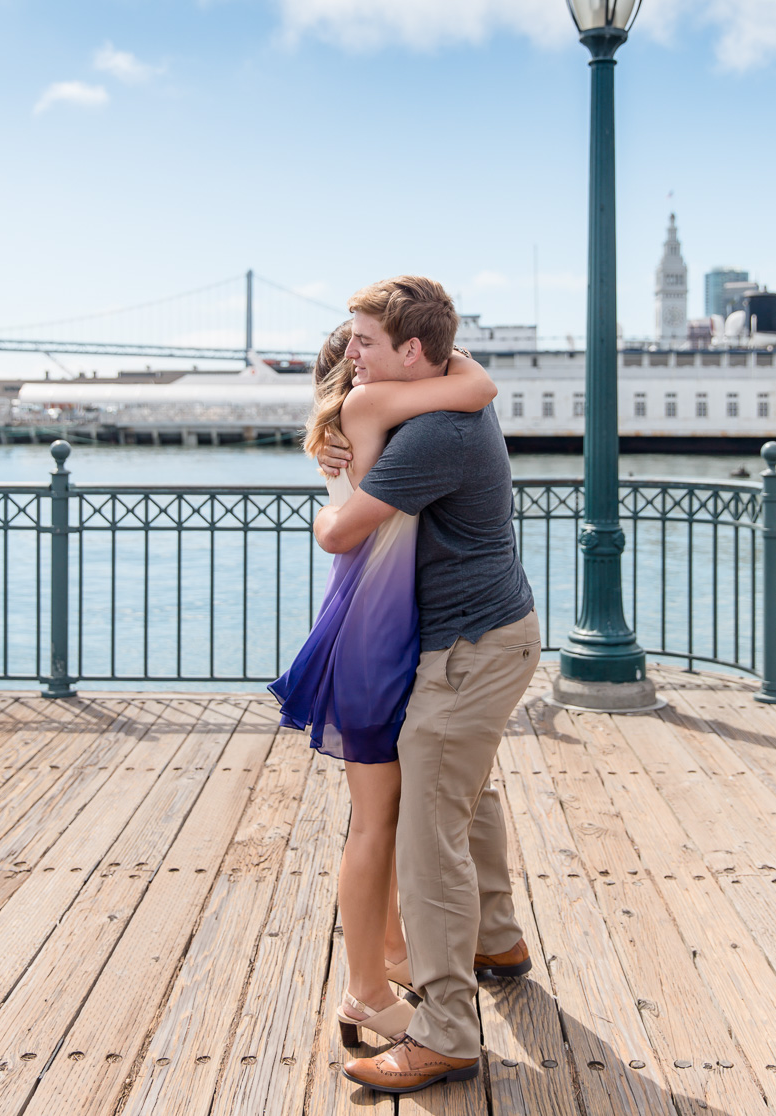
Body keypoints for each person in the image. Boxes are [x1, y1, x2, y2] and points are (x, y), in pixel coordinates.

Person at [314, 274, 541, 1096]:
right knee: (465, 793)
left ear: (415, 353)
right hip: (491, 633)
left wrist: (331, 483)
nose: (350, 353)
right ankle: (500, 942)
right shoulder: (447, 392)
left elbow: (339, 535)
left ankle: (445, 1033)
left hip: (469, 647)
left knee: (427, 833)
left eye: (366, 342)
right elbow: (469, 368)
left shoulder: (435, 433)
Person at [268, 314, 498, 1051]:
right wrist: (422, 343)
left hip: (385, 625)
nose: (366, 358)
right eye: (359, 347)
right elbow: (477, 383)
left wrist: (413, 347)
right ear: (356, 367)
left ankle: (393, 954)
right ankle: (365, 992)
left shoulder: (359, 423)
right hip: (374, 636)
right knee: (374, 823)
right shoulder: (369, 409)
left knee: (390, 815)